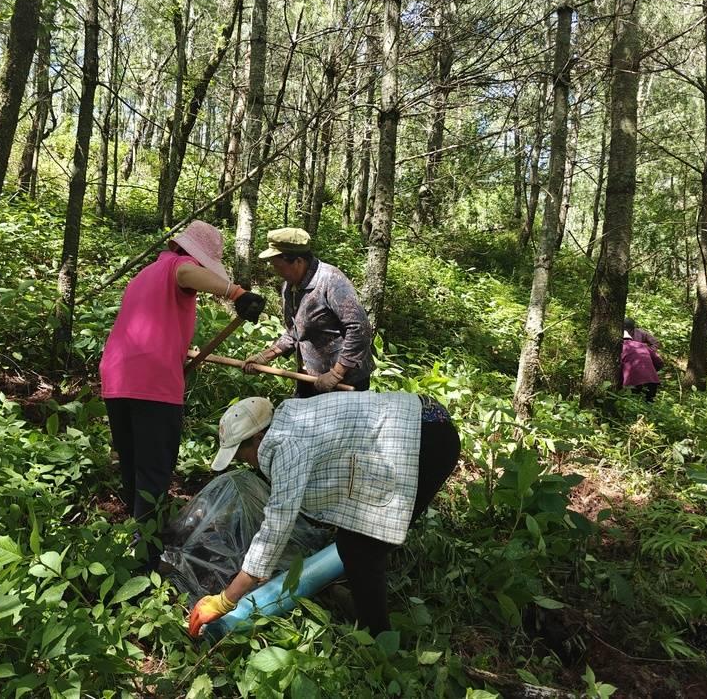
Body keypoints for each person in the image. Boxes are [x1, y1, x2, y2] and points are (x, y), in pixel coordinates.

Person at [186, 391, 460, 637]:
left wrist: (226, 600)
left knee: (363, 548)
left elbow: (276, 527)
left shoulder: (287, 445)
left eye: (242, 455)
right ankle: (365, 603)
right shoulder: (288, 419)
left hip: (426, 439)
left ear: (258, 438)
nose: (246, 462)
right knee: (355, 542)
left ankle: (377, 639)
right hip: (418, 424)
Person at [99, 220, 265, 569]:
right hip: (152, 383)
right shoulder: (178, 267)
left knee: (133, 465)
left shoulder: (145, 274)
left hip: (118, 376)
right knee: (154, 471)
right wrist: (237, 293)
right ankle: (147, 560)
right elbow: (187, 273)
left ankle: (140, 538)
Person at [242, 228, 374, 396]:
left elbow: (359, 328)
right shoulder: (289, 287)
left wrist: (337, 373)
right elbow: (294, 331)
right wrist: (264, 356)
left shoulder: (331, 280)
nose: (276, 272)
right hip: (309, 377)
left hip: (346, 380)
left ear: (298, 261)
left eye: (279, 266)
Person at [618, 328, 663, 402]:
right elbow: (659, 362)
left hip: (633, 382)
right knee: (649, 404)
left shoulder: (619, 348)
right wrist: (652, 372)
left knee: (633, 403)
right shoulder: (642, 345)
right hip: (651, 382)